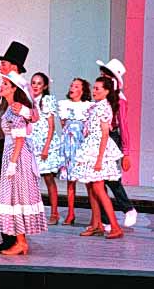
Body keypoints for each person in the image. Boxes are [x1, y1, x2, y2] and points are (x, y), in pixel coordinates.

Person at [0, 41, 39, 252]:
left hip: (14, 147)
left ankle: (15, 239)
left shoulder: (21, 89)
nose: (1, 67)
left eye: (4, 63)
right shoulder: (4, 89)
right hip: (2, 144)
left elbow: (34, 116)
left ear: (14, 66)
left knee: (10, 193)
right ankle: (7, 236)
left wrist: (24, 112)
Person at [0, 71, 47, 255]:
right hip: (13, 154)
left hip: (17, 155)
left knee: (17, 196)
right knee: (14, 197)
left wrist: (12, 162)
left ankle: (21, 242)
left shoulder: (15, 108)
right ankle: (20, 241)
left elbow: (20, 138)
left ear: (14, 89)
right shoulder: (10, 107)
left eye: (5, 84)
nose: (1, 86)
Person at [73, 76, 124, 239]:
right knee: (91, 188)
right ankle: (97, 224)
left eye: (98, 89)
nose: (94, 91)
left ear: (107, 91)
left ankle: (115, 226)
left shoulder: (104, 107)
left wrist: (99, 159)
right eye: (94, 88)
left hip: (98, 150)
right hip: (91, 147)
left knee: (98, 189)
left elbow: (104, 135)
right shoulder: (97, 106)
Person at [96, 58, 137, 229]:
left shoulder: (119, 99)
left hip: (112, 137)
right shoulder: (101, 94)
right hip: (98, 137)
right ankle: (105, 219)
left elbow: (124, 125)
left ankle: (128, 208)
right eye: (103, 73)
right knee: (98, 179)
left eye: (106, 73)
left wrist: (126, 152)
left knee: (111, 177)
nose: (102, 75)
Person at [58, 78, 92, 225]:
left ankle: (95, 217)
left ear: (82, 90)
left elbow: (89, 127)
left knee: (88, 182)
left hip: (82, 145)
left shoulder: (88, 106)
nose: (72, 88)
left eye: (76, 86)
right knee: (70, 182)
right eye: (71, 85)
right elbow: (63, 124)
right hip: (69, 145)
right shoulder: (64, 105)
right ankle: (71, 213)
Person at [30, 72, 61, 225]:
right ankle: (36, 213)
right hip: (32, 143)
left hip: (45, 145)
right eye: (33, 83)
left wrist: (46, 148)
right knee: (33, 180)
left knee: (49, 179)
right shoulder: (29, 100)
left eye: (39, 83)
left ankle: (55, 213)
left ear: (45, 86)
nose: (35, 86)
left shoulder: (47, 100)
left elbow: (51, 126)